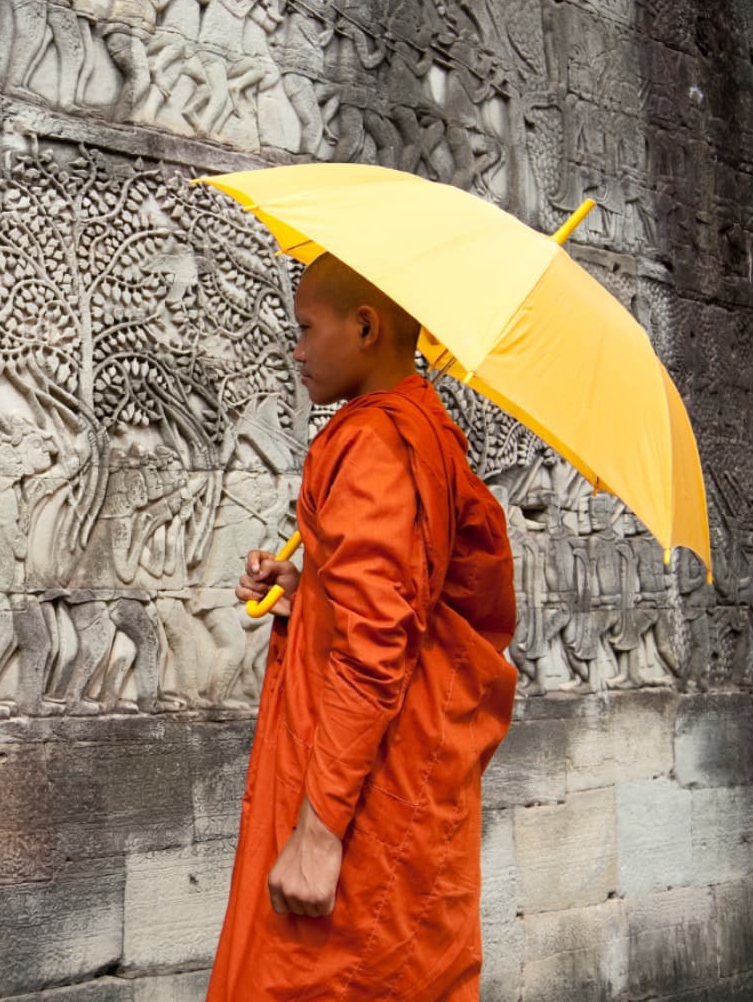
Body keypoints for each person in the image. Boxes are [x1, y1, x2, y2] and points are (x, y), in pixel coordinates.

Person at [210, 253, 517, 999]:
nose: (297, 347)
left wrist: (317, 834)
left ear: (367, 326)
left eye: (307, 327)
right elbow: (408, 598)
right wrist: (306, 588)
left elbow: (378, 646)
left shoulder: (377, 444)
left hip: (361, 804)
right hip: (392, 786)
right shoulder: (419, 429)